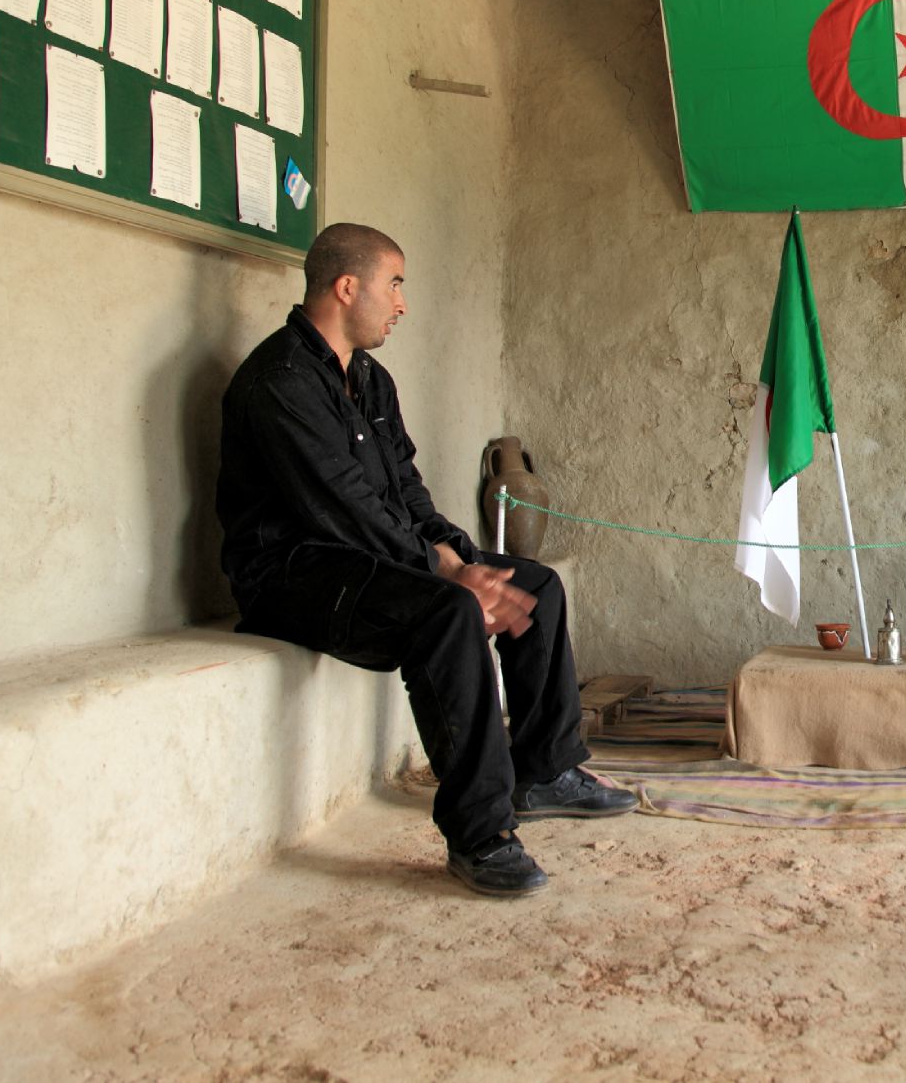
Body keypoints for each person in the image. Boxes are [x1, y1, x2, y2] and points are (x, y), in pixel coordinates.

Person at [216, 223, 633, 898]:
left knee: (536, 585)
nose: (402, 303)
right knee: (447, 611)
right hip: (292, 576)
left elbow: (403, 489)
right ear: (348, 287)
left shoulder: (370, 379)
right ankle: (481, 834)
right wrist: (446, 573)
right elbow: (341, 506)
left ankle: (544, 770)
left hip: (367, 558)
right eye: (395, 284)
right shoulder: (280, 382)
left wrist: (466, 555)